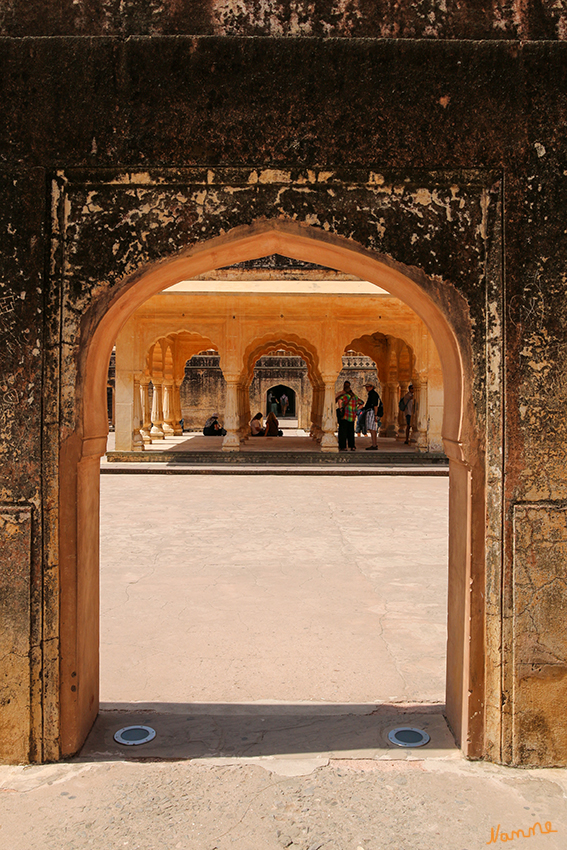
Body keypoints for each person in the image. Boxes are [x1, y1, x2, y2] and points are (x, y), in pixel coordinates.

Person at [335, 380, 363, 451]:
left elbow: (339, 400)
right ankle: (352, 446)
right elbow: (362, 403)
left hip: (345, 416)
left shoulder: (345, 396)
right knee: (351, 432)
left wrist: (341, 408)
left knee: (343, 431)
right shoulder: (355, 397)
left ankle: (343, 446)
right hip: (352, 416)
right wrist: (356, 409)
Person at [361, 381, 381, 450]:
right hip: (370, 412)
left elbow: (375, 405)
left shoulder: (373, 395)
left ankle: (374, 444)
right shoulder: (371, 394)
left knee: (372, 429)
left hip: (371, 412)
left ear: (371, 387)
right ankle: (374, 444)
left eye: (368, 387)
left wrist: (375, 415)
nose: (366, 388)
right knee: (372, 428)